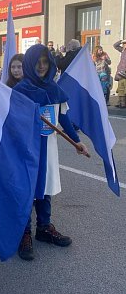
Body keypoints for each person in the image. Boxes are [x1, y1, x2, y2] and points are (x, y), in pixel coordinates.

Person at [14, 44, 89, 261]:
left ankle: (44, 228)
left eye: (45, 62)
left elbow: (63, 117)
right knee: (29, 190)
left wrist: (77, 142)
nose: (41, 66)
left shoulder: (54, 89)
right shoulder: (21, 90)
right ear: (30, 63)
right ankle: (24, 232)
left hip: (49, 148)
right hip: (28, 150)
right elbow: (13, 122)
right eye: (37, 62)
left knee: (45, 188)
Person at [113, 39, 126, 108]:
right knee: (120, 88)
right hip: (121, 72)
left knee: (124, 89)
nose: (124, 45)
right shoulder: (123, 50)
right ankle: (120, 102)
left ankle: (123, 103)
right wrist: (121, 41)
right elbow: (115, 45)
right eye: (124, 44)